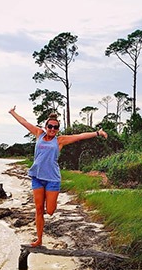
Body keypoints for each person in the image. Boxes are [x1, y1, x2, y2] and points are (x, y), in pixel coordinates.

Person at [9, 106, 108, 247]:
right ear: (46, 126)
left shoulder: (60, 141)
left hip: (52, 179)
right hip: (37, 177)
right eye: (50, 126)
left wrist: (97, 133)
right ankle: (39, 239)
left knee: (49, 211)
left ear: (57, 129)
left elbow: (80, 136)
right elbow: (24, 122)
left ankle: (45, 205)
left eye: (55, 128)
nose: (52, 129)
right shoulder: (39, 134)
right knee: (38, 210)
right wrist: (13, 112)